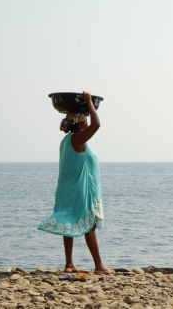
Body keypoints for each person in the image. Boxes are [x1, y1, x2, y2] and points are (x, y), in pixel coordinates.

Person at [38, 91, 114, 275]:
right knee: (90, 225)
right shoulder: (78, 138)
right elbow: (97, 124)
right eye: (84, 118)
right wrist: (89, 102)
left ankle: (69, 264)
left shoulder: (67, 140)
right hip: (81, 188)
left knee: (68, 222)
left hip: (67, 188)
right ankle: (99, 266)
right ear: (79, 122)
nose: (87, 120)